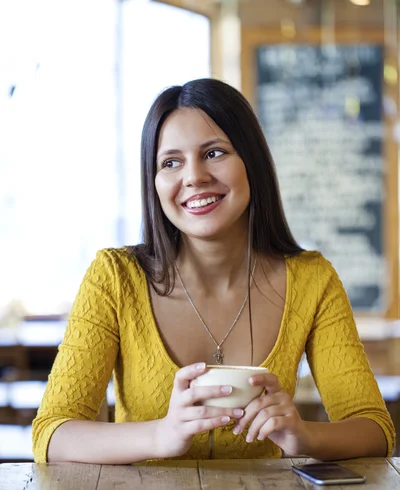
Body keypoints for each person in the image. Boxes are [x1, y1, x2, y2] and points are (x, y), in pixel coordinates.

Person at [32, 78, 395, 464]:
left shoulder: (312, 279)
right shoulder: (115, 278)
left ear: (251, 162)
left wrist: (302, 435)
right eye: (171, 162)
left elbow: (375, 429)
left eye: (214, 153)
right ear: (154, 182)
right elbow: (51, 433)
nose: (194, 177)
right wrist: (161, 435)